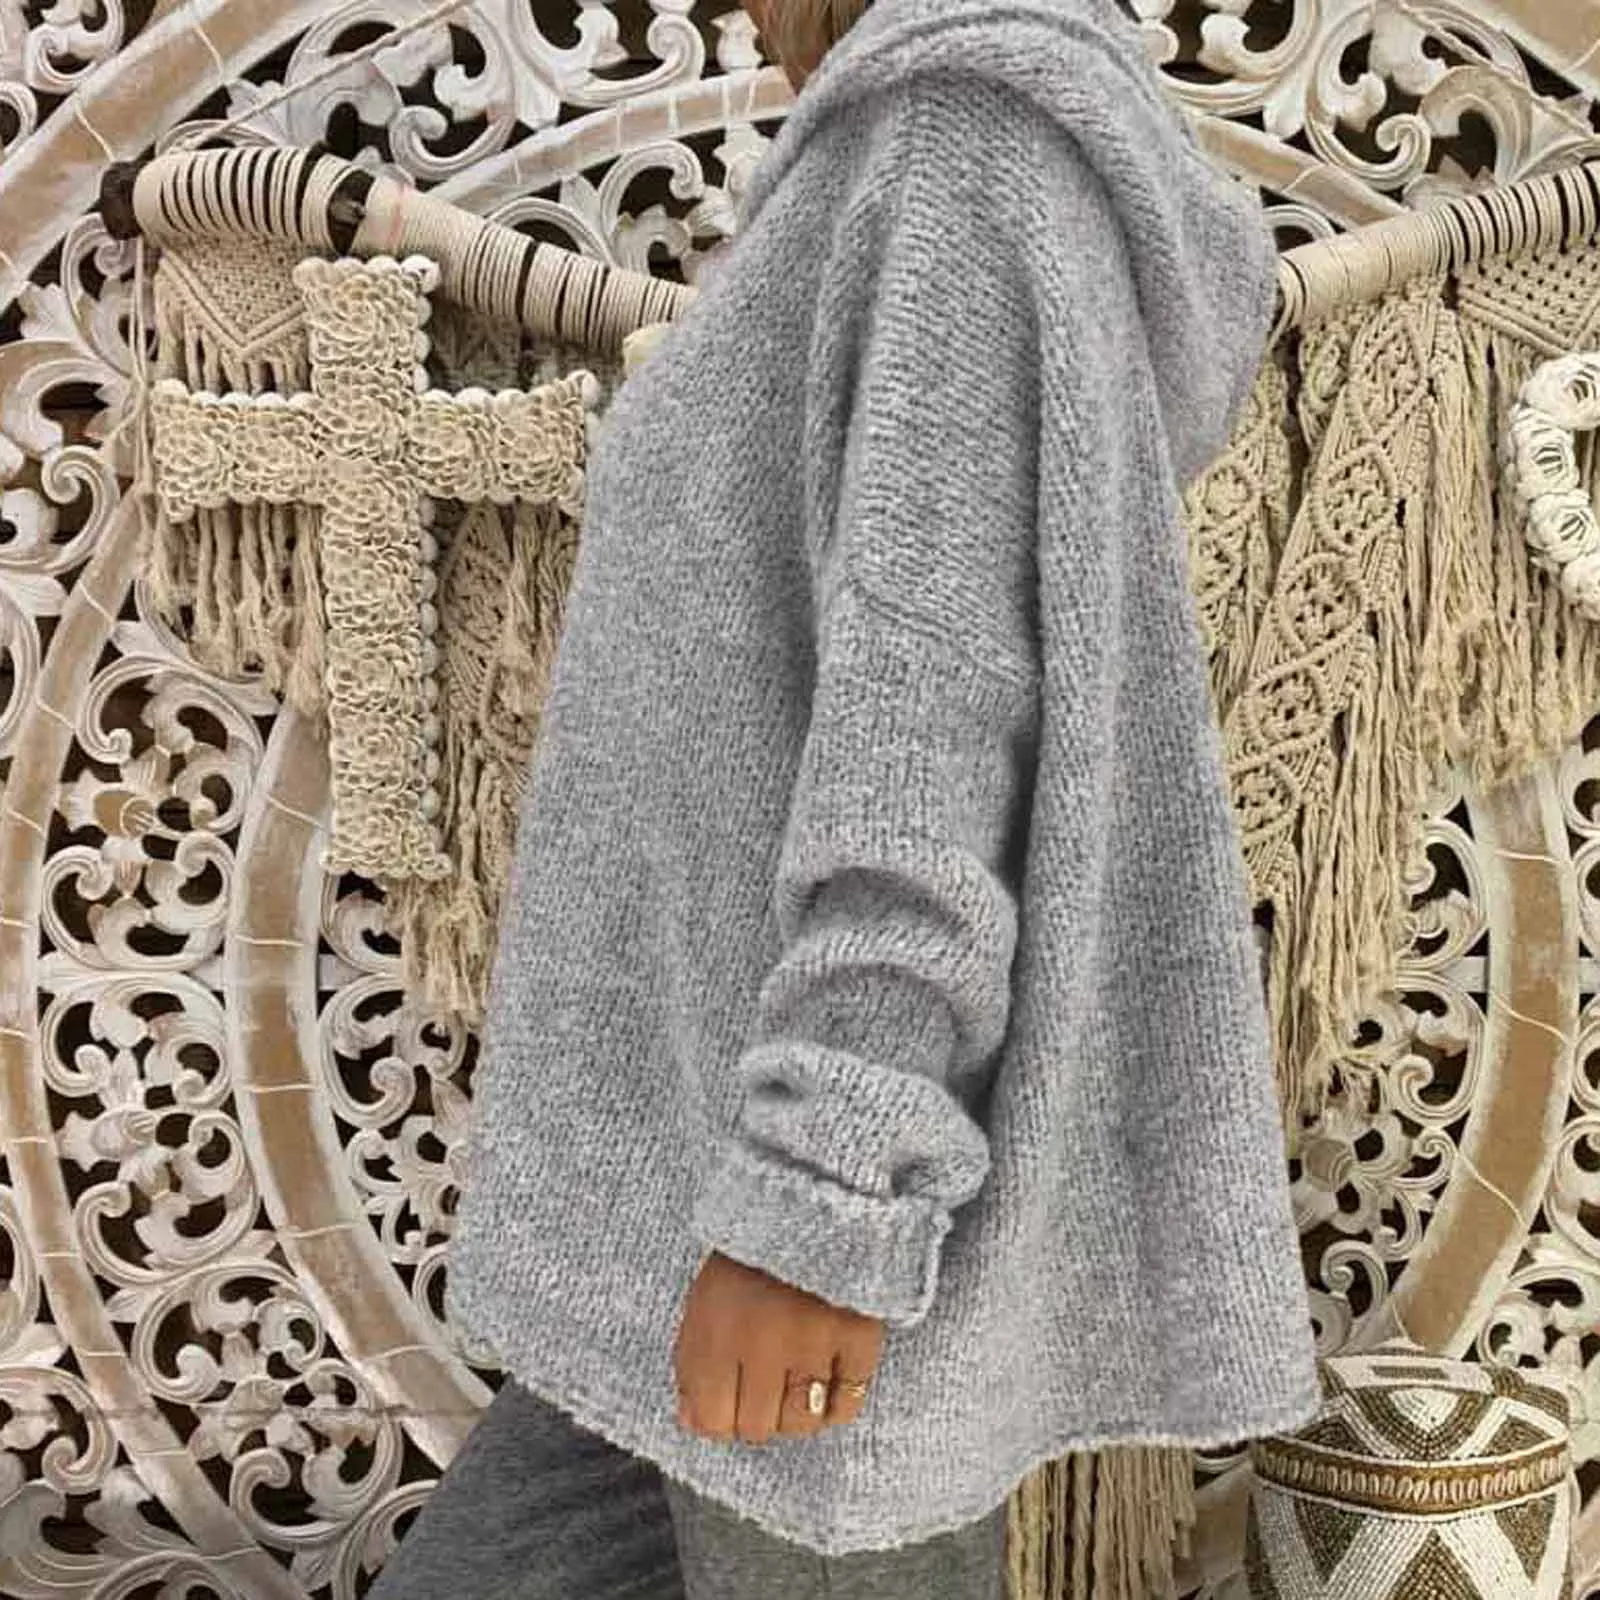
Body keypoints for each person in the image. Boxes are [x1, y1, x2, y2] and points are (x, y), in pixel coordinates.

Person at [369, 0, 1320, 1593]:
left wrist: (822, 1203)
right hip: (689, 1199)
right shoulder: (906, 156)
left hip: (797, 1217)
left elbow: (934, 720)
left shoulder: (960, 148)